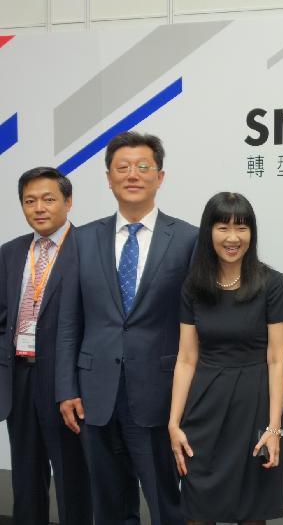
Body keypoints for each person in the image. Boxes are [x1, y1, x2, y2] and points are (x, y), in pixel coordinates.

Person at [56, 131, 197, 525]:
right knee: (109, 506)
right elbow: (69, 321)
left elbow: (195, 325)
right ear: (108, 178)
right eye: (122, 167)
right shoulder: (82, 239)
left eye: (142, 167)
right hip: (94, 394)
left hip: (158, 393)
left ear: (160, 176)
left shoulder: (187, 238)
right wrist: (66, 387)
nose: (132, 175)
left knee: (167, 503)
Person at [168, 192, 283, 524]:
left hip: (254, 409)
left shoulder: (273, 284)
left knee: (252, 513)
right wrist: (174, 423)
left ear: (252, 233)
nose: (233, 238)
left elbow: (278, 360)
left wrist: (274, 427)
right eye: (223, 227)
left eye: (242, 228)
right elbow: (186, 358)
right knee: (197, 510)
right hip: (203, 409)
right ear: (209, 232)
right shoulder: (193, 287)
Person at [0, 167, 92, 524]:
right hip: (20, 378)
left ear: (68, 202)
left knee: (72, 479)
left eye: (48, 199)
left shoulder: (88, 248)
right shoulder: (10, 253)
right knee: (25, 478)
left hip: (66, 384)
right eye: (30, 201)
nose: (39, 208)